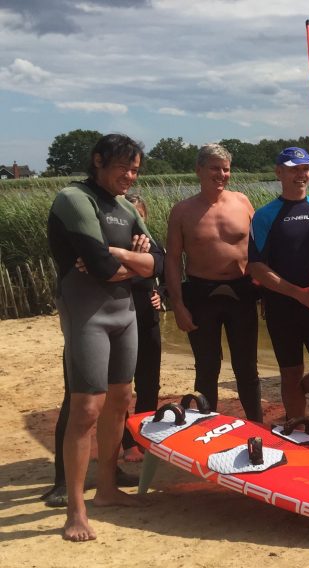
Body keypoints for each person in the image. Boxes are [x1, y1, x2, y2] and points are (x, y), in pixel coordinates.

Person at [46, 133, 164, 541]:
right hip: (87, 314)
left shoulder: (127, 206)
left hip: (125, 314)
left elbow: (160, 261)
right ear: (98, 161)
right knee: (86, 408)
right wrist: (134, 262)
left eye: (135, 169)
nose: (130, 176)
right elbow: (99, 268)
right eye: (123, 167)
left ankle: (108, 489)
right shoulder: (74, 198)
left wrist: (120, 255)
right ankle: (75, 509)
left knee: (121, 400)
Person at [165, 143, 262, 421]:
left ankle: (257, 424)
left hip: (242, 292)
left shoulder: (242, 202)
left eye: (226, 169)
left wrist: (266, 290)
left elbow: (260, 249)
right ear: (199, 170)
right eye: (214, 168)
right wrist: (178, 306)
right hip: (201, 294)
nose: (221, 174)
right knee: (207, 367)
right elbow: (172, 260)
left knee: (247, 367)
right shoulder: (182, 211)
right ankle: (207, 422)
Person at [248, 147, 309, 420]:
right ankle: (297, 426)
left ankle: (295, 392)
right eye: (294, 169)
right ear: (279, 172)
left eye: (306, 169)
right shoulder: (265, 215)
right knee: (290, 372)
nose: (302, 174)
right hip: (282, 307)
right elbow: (256, 266)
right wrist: (298, 294)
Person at [119, 193, 164, 462]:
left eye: (139, 216)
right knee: (121, 387)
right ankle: (127, 443)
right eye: (129, 216)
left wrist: (161, 294)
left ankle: (144, 437)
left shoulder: (152, 244)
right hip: (121, 320)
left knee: (149, 384)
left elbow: (163, 274)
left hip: (148, 320)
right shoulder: (113, 245)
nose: (135, 223)